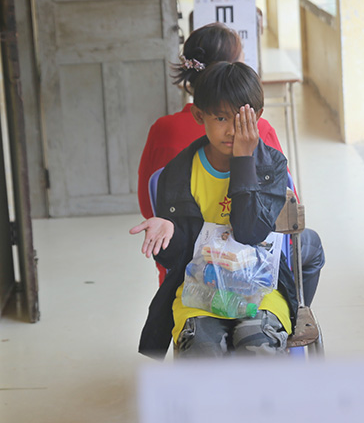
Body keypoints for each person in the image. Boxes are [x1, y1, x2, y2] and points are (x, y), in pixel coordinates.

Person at [137, 23, 324, 306]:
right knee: (310, 245)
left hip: (178, 261)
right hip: (234, 267)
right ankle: (296, 311)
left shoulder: (162, 130)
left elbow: (148, 199)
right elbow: (284, 208)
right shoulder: (257, 129)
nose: (230, 131)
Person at [132, 62, 300, 358]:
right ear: (200, 115)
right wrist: (168, 236)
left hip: (261, 291)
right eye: (221, 117)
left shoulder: (269, 165)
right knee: (202, 354)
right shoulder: (180, 172)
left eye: (242, 118)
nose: (232, 130)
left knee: (257, 348)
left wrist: (244, 162)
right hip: (200, 292)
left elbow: (250, 232)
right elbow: (175, 259)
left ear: (258, 117)